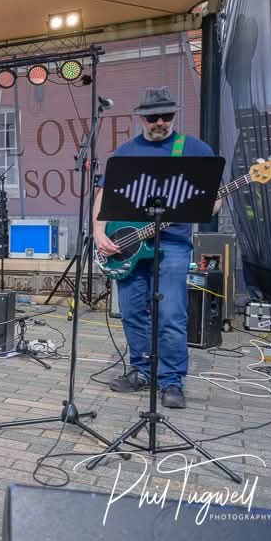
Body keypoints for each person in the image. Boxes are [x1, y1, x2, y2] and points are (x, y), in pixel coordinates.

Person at [93, 87, 218, 410]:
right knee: (133, 312)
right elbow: (104, 195)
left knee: (171, 314)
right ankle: (142, 370)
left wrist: (204, 206)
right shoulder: (126, 152)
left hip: (172, 244)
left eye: (167, 116)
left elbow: (214, 198)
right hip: (130, 244)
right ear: (141, 118)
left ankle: (171, 381)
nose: (160, 122)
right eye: (153, 117)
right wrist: (98, 231)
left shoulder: (194, 149)